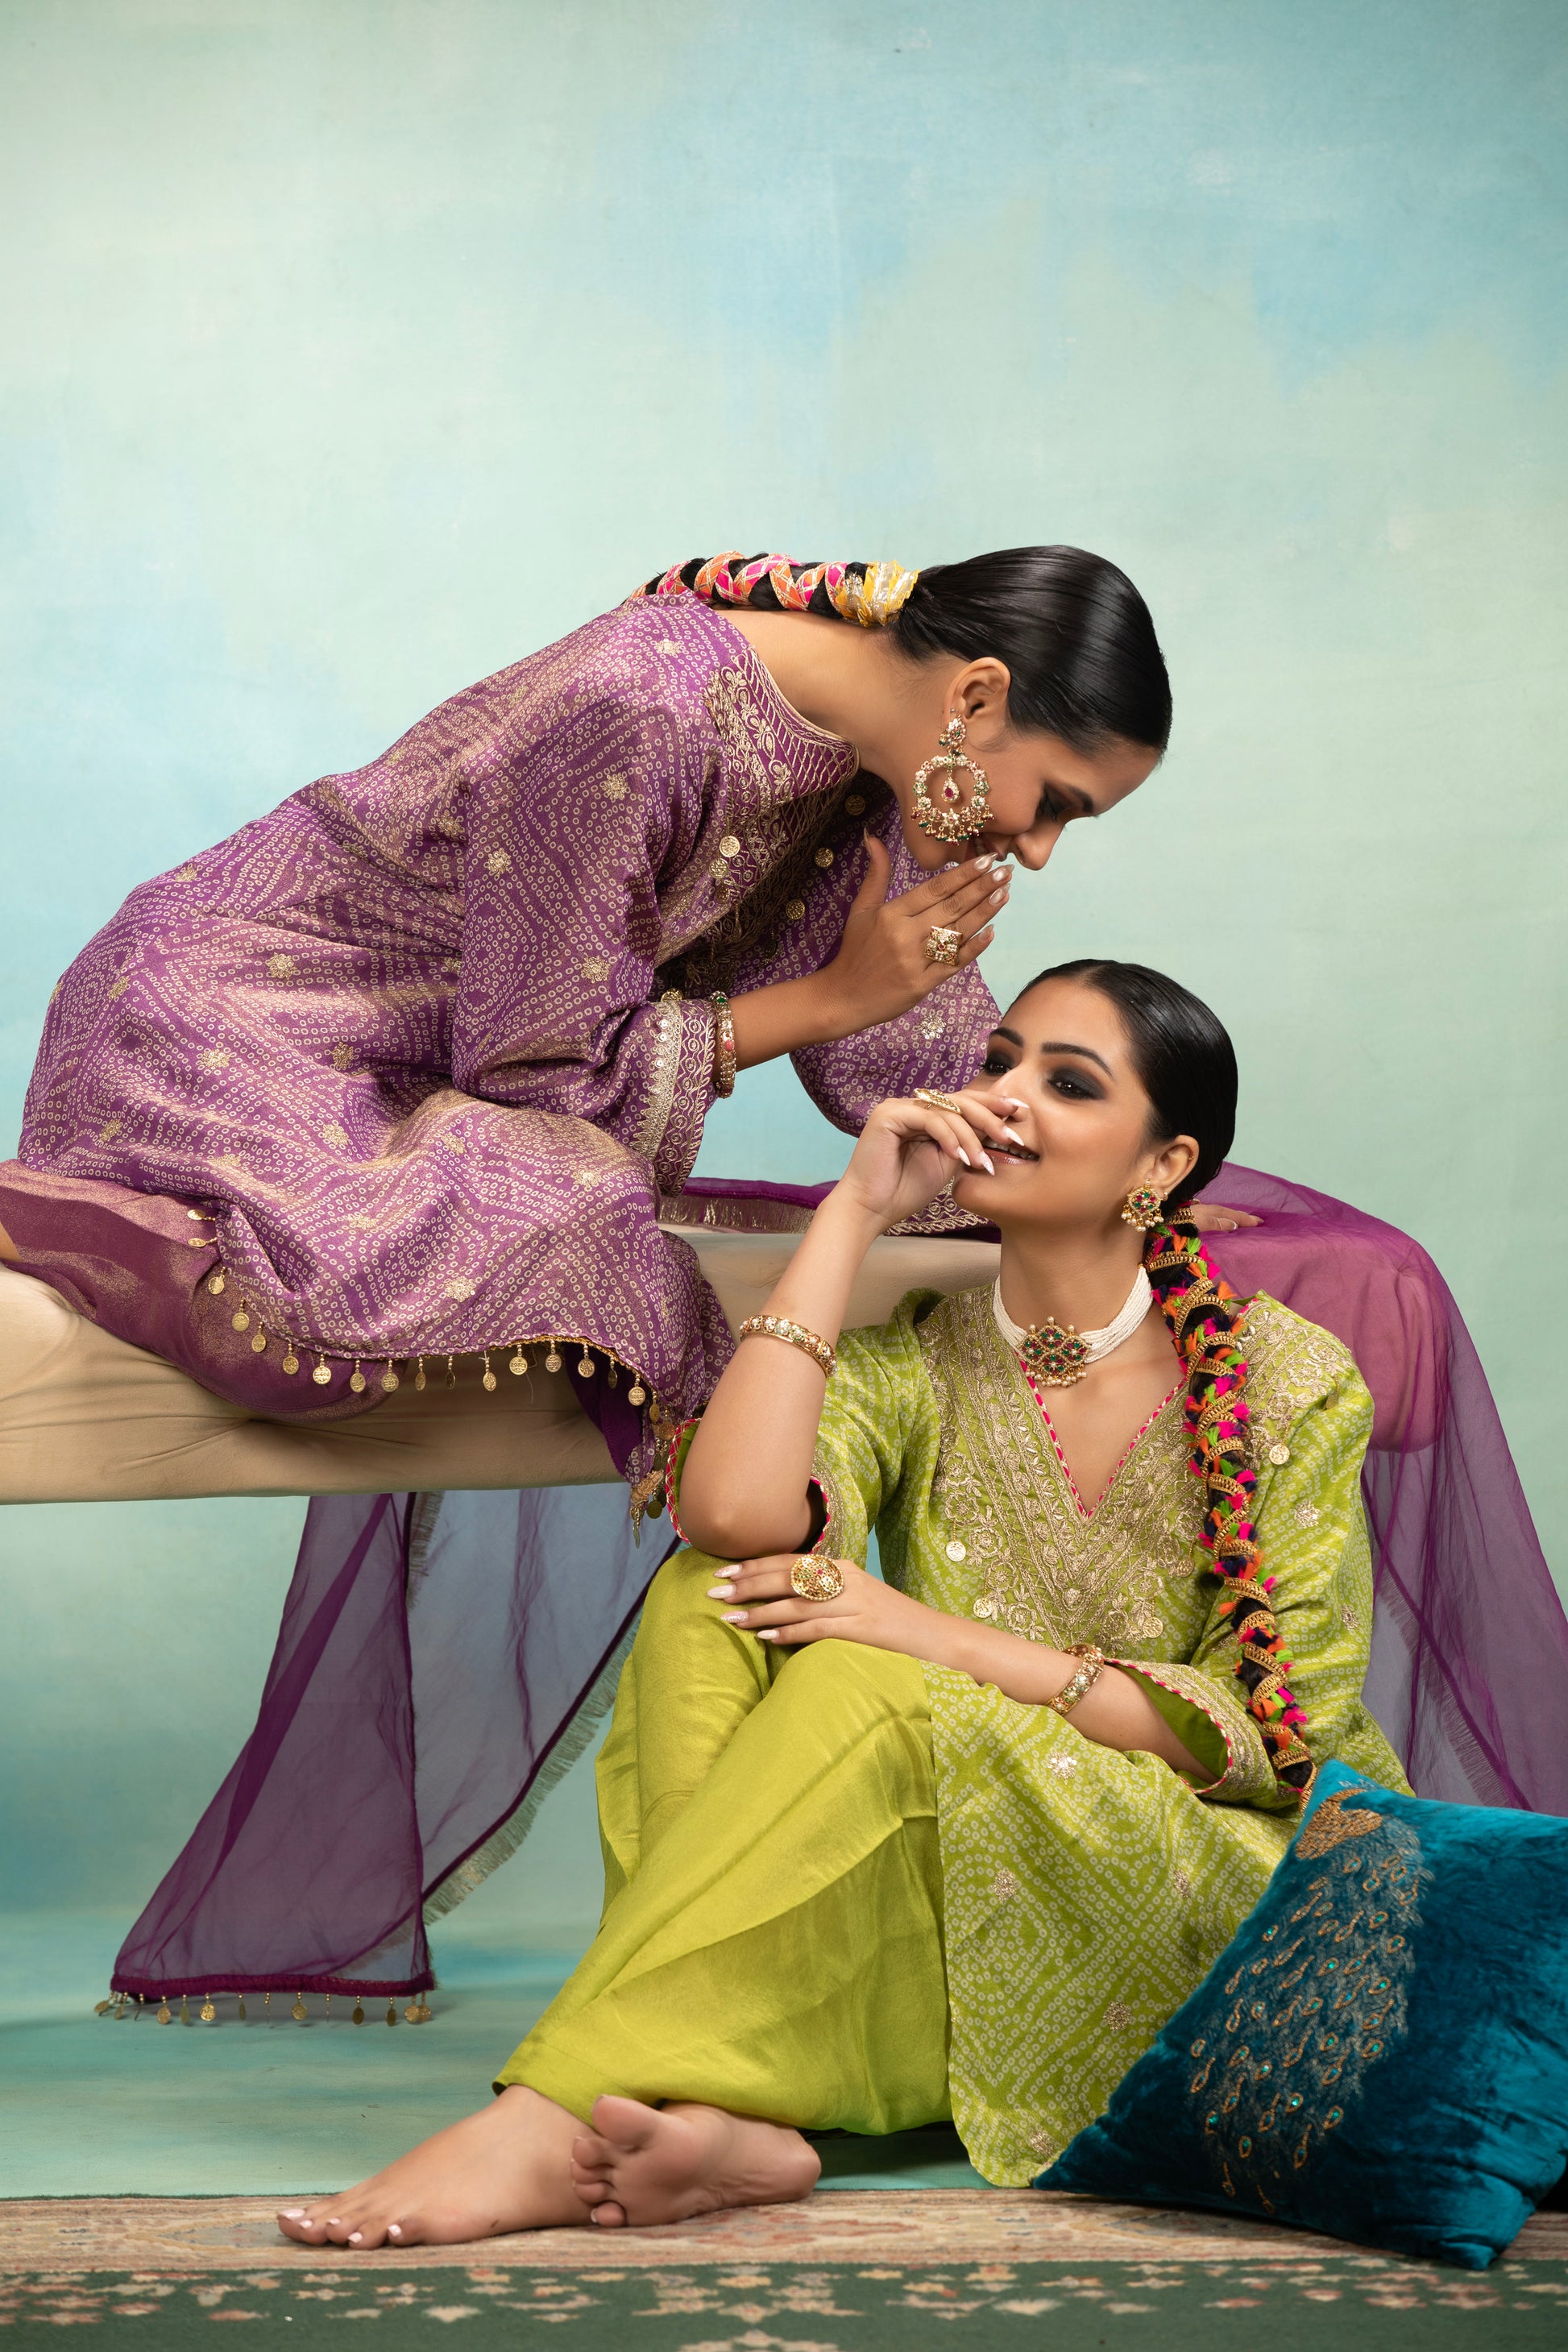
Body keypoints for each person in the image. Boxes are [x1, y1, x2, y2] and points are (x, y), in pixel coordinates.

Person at [275, 958, 1406, 2250]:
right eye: (998, 1062)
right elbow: (729, 1514)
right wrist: (851, 1215)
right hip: (962, 1827)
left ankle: (562, 2108)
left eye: (1069, 1084)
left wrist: (929, 1638)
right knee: (711, 1599)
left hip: (1201, 1859)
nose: (1006, 1097)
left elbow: (1281, 1737)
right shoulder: (920, 1358)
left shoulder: (1282, 1379)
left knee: (864, 1677)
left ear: (1162, 1165)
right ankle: (708, 2113)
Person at [1, 546, 1197, 1484]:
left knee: (579, 1203)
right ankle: (65, 1209)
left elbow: (920, 1059)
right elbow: (539, 1078)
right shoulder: (641, 704)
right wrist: (830, 999)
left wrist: (1101, 1187)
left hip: (410, 1063)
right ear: (976, 697)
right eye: (1056, 802)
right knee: (533, 1221)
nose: (1037, 849)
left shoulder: (873, 762)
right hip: (225, 1016)